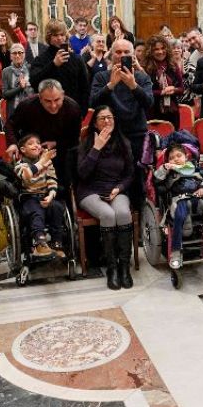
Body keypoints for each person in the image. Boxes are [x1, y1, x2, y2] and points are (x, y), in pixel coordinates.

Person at [77, 105, 135, 290]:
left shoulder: (123, 142)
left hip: (115, 189)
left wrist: (119, 188)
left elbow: (130, 174)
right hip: (90, 190)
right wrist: (96, 148)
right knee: (108, 215)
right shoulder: (86, 143)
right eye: (102, 118)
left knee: (123, 214)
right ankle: (112, 269)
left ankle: (124, 267)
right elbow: (82, 174)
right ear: (95, 123)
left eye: (110, 117)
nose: (107, 121)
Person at [154, 143, 203, 269]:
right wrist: (164, 169)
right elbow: (158, 184)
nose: (176, 159)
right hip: (180, 200)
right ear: (168, 161)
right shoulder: (169, 173)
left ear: (186, 157)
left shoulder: (194, 168)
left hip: (198, 197)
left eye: (179, 155)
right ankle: (176, 250)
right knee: (180, 215)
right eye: (172, 158)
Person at [90, 38, 154, 174]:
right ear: (111, 55)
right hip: (110, 135)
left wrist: (133, 86)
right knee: (113, 175)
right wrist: (111, 85)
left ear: (133, 56)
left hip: (136, 134)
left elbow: (149, 103)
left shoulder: (142, 78)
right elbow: (93, 103)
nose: (122, 56)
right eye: (118, 52)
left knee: (137, 177)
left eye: (126, 52)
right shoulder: (101, 77)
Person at [5, 79, 82, 192]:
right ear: (40, 98)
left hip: (60, 151)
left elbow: (74, 139)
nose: (53, 105)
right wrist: (12, 144)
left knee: (62, 186)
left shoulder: (73, 108)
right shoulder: (27, 105)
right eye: (48, 101)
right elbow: (10, 125)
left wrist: (57, 143)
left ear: (63, 95)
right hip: (31, 153)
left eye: (57, 100)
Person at [14, 133, 66, 259]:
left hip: (44, 196)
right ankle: (40, 243)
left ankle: (56, 243)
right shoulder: (20, 165)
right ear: (22, 149)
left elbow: (52, 180)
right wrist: (42, 162)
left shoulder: (47, 163)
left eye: (38, 143)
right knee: (36, 211)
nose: (36, 145)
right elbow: (27, 177)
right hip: (28, 198)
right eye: (31, 143)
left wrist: (51, 195)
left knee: (57, 207)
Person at [31, 18, 91, 113]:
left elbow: (85, 87)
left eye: (62, 35)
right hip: (47, 111)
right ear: (49, 37)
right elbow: (34, 82)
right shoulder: (40, 59)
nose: (59, 38)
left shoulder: (76, 59)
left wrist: (82, 112)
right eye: (55, 35)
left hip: (72, 111)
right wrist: (54, 64)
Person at [142, 35, 185, 128]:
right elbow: (144, 92)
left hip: (172, 112)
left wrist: (174, 89)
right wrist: (161, 92)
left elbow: (182, 89)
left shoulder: (173, 65)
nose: (160, 52)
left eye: (162, 48)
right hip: (152, 111)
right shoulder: (145, 68)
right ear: (150, 51)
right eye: (156, 49)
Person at [0, 43, 34, 117]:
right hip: (13, 111)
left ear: (24, 54)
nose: (17, 56)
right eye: (14, 53)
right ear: (10, 56)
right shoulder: (6, 71)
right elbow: (5, 94)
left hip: (30, 108)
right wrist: (20, 88)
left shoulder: (31, 69)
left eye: (20, 53)